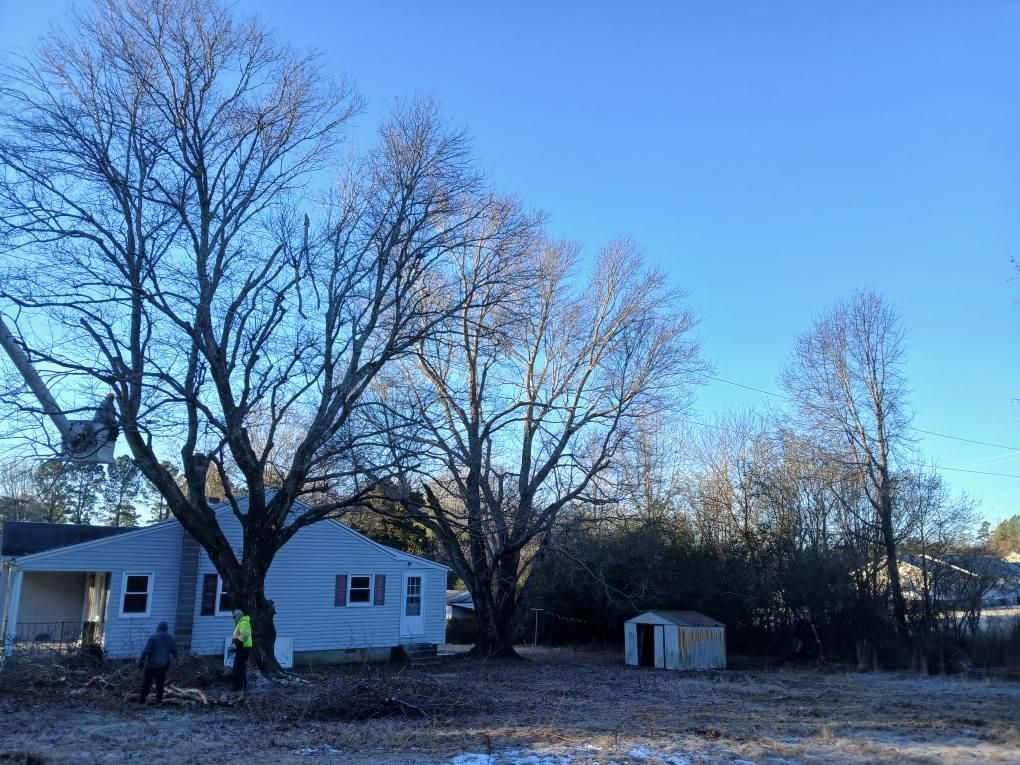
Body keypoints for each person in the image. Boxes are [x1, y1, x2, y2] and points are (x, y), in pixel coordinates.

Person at [138, 621, 177, 704]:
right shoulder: (170, 638)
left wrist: (141, 662)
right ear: (166, 629)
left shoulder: (153, 637)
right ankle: (158, 702)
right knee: (160, 685)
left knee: (146, 684)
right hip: (163, 666)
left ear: (158, 628)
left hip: (151, 665)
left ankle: (141, 702)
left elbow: (145, 651)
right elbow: (174, 652)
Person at [230, 609, 253, 692]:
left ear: (238, 616)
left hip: (243, 649)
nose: (234, 619)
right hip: (241, 648)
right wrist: (234, 645)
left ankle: (240, 687)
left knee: (239, 668)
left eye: (234, 617)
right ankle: (238, 687)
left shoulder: (244, 622)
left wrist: (236, 644)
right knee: (238, 668)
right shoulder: (241, 623)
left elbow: (244, 636)